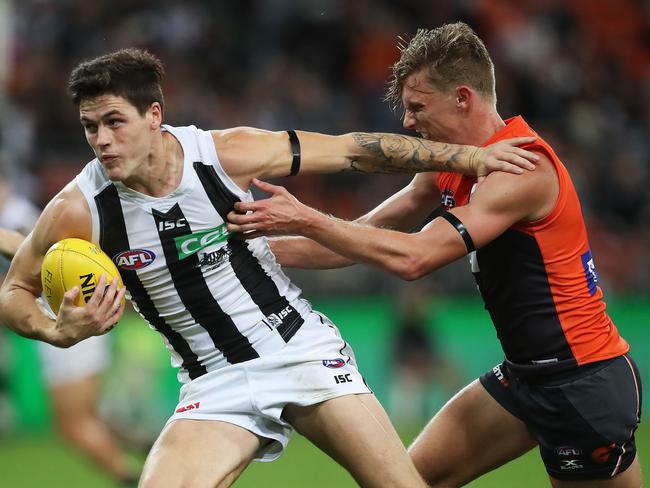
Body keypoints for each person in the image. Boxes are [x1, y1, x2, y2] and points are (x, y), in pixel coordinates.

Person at [0, 47, 538, 488]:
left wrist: (470, 158)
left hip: (299, 351)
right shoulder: (79, 208)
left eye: (115, 122)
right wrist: (55, 330)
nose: (102, 141)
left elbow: (354, 151)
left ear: (154, 116)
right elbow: (15, 290)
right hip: (213, 385)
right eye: (90, 127)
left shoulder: (226, 154)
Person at [226, 22, 643, 487]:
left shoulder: (523, 166)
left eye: (417, 107)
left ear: (463, 98)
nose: (407, 122)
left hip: (580, 382)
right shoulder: (448, 165)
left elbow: (414, 259)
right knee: (401, 480)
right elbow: (362, 236)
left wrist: (306, 218)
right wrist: (256, 252)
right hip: (522, 379)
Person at [0, 227, 140, 486]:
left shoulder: (19, 214)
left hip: (69, 322)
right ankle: (144, 451)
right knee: (85, 419)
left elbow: (30, 253)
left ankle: (137, 479)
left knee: (74, 424)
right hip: (65, 320)